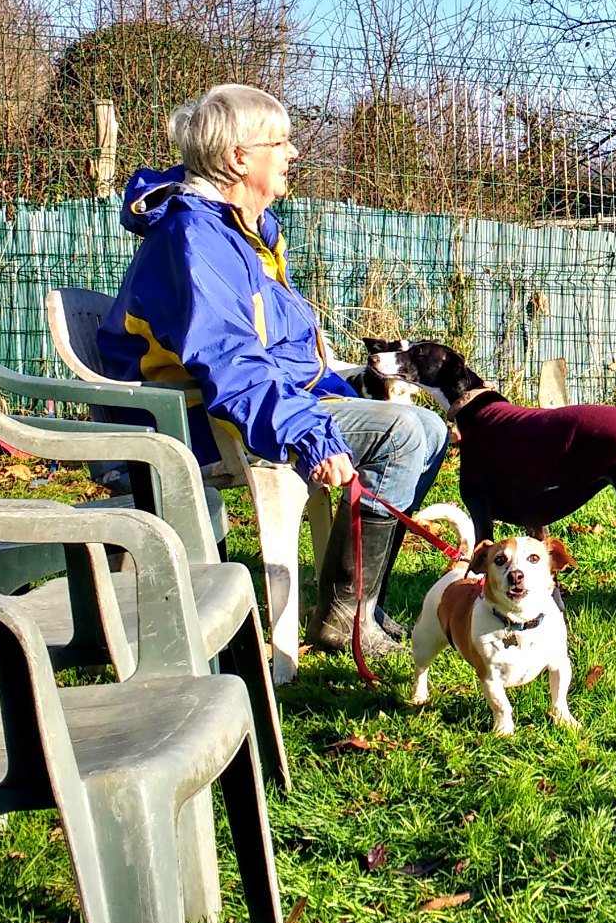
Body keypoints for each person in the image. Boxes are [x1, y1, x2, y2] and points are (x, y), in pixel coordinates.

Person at [98, 83, 449, 658]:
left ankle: (357, 607)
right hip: (196, 423)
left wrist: (336, 386)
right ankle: (347, 616)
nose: (292, 153)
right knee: (408, 432)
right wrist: (309, 432)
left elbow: (276, 349)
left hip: (249, 404)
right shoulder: (196, 240)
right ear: (239, 157)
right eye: (280, 142)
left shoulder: (240, 231)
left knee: (426, 427)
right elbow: (230, 361)